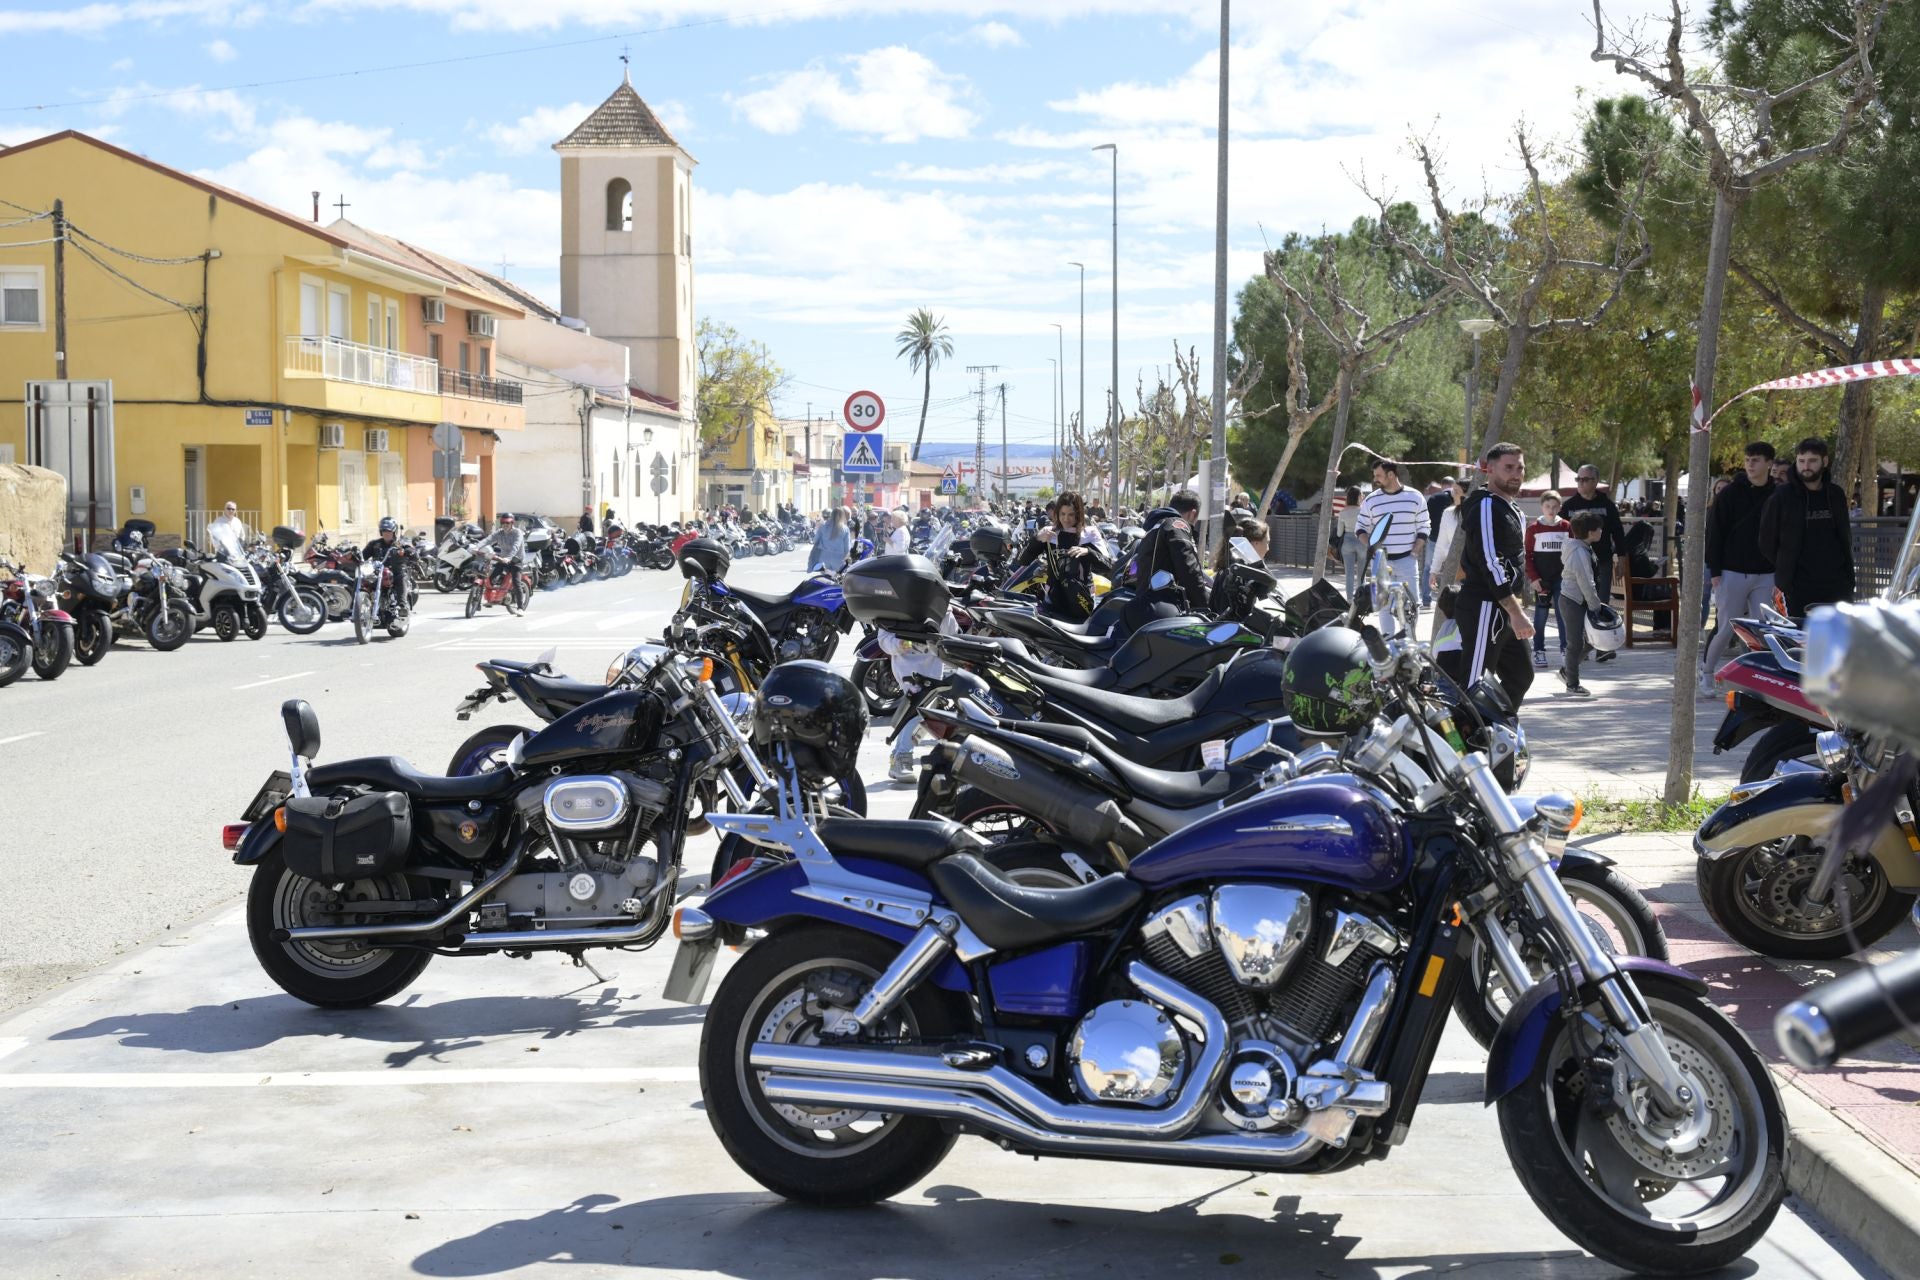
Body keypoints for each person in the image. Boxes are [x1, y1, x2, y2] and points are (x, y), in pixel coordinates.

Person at [1437, 443, 1534, 706]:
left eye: (1520, 468)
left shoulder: (1511, 508)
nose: (1516, 473)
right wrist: (1516, 612)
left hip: (1504, 608)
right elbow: (1492, 562)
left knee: (1521, 675)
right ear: (1490, 470)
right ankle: (1469, 740)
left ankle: (1497, 733)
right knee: (1474, 684)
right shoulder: (1486, 506)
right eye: (1508, 468)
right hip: (1484, 607)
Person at [1699, 443, 1777, 695]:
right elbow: (1715, 533)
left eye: (1756, 460)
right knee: (1727, 626)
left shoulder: (1778, 493)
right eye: (1747, 460)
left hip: (1766, 572)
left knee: (1762, 629)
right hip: (1732, 571)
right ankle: (1707, 673)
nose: (1750, 464)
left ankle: (1758, 677)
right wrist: (1716, 571)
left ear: (1769, 463)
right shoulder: (1730, 494)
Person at [1759, 436, 1855, 617]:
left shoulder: (1835, 494)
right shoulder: (1781, 497)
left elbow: (1844, 536)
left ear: (1824, 461)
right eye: (1801, 461)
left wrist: (1848, 579)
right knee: (1800, 640)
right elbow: (1766, 542)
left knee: (1839, 640)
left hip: (1837, 585)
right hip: (1797, 587)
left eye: (1812, 461)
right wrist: (1787, 566)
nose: (1806, 466)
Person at [1560, 465, 1628, 662]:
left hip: (1603, 562)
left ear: (1595, 481)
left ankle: (1603, 647)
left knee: (1600, 603)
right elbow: (1561, 534)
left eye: (1585, 479)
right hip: (1577, 564)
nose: (1581, 483)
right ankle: (1583, 647)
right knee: (1581, 604)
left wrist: (1621, 559)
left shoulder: (1606, 504)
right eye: (1578, 479)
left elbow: (1618, 532)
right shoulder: (1570, 506)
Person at [1355, 459, 1428, 612]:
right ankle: (1388, 637)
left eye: (1378, 475)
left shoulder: (1415, 497)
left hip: (1407, 560)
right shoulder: (1371, 500)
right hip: (1380, 563)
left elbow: (1424, 525)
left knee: (1410, 608)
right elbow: (1360, 528)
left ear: (1391, 474)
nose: (1375, 479)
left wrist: (1415, 550)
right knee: (1384, 609)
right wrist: (1372, 547)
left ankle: (1409, 637)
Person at [1556, 510, 1607, 698]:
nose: (1601, 531)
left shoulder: (1582, 546)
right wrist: (1596, 607)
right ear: (1590, 531)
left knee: (1591, 640)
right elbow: (1585, 580)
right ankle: (1572, 683)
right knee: (1575, 643)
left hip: (1578, 600)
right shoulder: (1578, 551)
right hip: (1573, 601)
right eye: (1598, 528)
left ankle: (1567, 671)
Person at [1132, 489, 1209, 611]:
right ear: (1192, 514)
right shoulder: (1177, 524)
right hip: (1162, 604)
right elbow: (1188, 568)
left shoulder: (1157, 525)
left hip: (1147, 601)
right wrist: (1205, 605)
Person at [1524, 492, 1569, 670]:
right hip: (1541, 580)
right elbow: (1527, 556)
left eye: (1555, 506)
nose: (1551, 510)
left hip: (1562, 578)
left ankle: (1566, 649)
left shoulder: (1566, 527)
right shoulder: (1534, 528)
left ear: (1560, 507)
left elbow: (1572, 553)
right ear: (1542, 507)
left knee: (1562, 614)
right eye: (1547, 506)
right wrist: (1534, 578)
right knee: (1541, 616)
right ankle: (1539, 649)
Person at [1428, 478, 1468, 598]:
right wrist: (1433, 571)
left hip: (1477, 570)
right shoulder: (1448, 513)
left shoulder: (1479, 512)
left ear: (1467, 494)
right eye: (1452, 491)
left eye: (1456, 491)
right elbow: (1441, 544)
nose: (1452, 495)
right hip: (1454, 568)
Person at [484, 512, 527, 615]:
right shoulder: (499, 533)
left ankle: (520, 607)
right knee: (491, 577)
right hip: (504, 559)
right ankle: (492, 599)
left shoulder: (518, 533)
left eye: (507, 523)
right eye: (503, 522)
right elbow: (488, 540)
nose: (505, 525)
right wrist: (477, 547)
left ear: (512, 523)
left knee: (516, 583)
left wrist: (509, 557)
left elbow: (515, 547)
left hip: (517, 560)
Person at [809, 506, 852, 571]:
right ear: (842, 516)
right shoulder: (845, 529)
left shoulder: (823, 526)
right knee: (838, 578)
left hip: (824, 557)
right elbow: (847, 548)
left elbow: (815, 540)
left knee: (825, 578)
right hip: (838, 558)